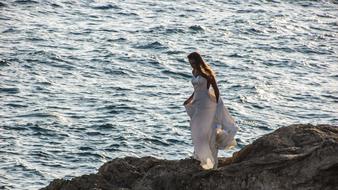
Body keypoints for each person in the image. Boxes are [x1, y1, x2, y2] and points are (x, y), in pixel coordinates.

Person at [183, 52, 238, 170]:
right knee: (197, 128)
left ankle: (212, 161)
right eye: (190, 63)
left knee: (209, 130)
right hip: (198, 104)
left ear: (198, 61)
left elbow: (216, 90)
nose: (191, 65)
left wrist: (217, 105)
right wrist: (189, 99)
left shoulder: (207, 74)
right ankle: (199, 155)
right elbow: (196, 90)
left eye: (193, 63)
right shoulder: (194, 72)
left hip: (207, 105)